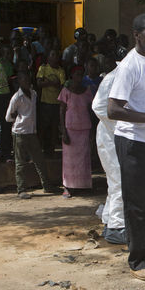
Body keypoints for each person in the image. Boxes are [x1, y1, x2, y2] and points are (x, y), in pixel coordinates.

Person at [107, 13, 145, 282]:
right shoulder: (129, 66)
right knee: (137, 203)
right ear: (137, 34)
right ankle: (139, 262)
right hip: (132, 141)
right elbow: (113, 109)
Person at [6, 70, 57, 199]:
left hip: (31, 132)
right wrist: (15, 116)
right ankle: (21, 189)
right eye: (24, 80)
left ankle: (47, 185)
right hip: (20, 133)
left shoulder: (33, 94)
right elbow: (8, 117)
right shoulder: (17, 97)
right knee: (20, 162)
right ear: (19, 82)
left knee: (39, 160)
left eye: (28, 80)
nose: (27, 82)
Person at [92, 65, 125, 244]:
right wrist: (119, 120)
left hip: (114, 136)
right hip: (109, 136)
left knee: (115, 182)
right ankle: (117, 227)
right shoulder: (113, 78)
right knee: (119, 181)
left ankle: (109, 219)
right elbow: (98, 106)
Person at [58, 66, 94, 198]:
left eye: (81, 75)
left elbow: (90, 110)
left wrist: (92, 130)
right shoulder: (66, 91)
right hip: (70, 129)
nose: (79, 77)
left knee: (83, 160)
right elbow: (61, 111)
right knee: (69, 161)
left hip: (84, 128)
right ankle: (67, 186)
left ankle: (83, 185)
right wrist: (63, 131)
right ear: (72, 76)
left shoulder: (87, 91)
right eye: (77, 74)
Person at [36, 50, 64, 155]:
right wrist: (53, 83)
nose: (55, 57)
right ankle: (40, 150)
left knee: (53, 128)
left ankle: (51, 150)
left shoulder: (61, 70)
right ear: (48, 57)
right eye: (52, 54)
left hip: (56, 103)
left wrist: (47, 82)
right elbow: (39, 83)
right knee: (43, 127)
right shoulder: (43, 68)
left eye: (57, 55)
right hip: (45, 102)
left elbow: (61, 86)